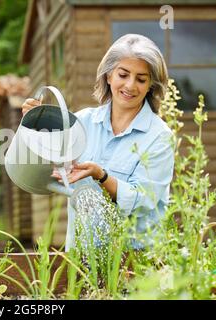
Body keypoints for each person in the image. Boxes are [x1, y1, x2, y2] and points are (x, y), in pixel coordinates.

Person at [21, 34, 175, 251]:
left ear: (150, 85)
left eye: (141, 79)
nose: (130, 85)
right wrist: (36, 122)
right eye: (123, 74)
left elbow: (144, 201)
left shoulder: (158, 136)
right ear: (108, 76)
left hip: (136, 262)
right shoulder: (82, 122)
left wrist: (101, 176)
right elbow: (49, 160)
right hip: (82, 256)